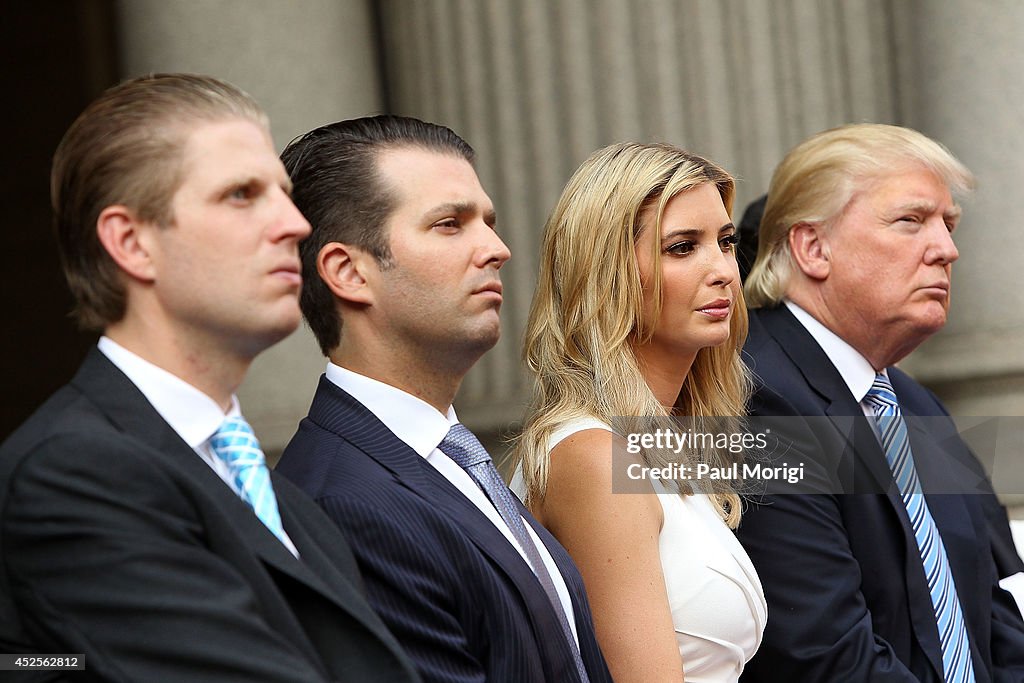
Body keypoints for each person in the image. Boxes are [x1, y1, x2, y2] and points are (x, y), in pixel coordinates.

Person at [0, 74, 418, 682]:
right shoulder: (76, 471)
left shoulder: (283, 502)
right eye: (243, 195)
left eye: (284, 193)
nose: (295, 224)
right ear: (131, 242)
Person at [274, 115, 612, 683]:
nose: (498, 249)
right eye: (450, 224)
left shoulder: (454, 458)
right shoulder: (343, 504)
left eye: (488, 221)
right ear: (348, 272)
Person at [738, 123, 1024, 681]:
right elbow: (825, 654)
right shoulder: (753, 394)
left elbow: (997, 611)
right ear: (813, 247)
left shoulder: (915, 405)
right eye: (910, 221)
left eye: (949, 224)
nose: (947, 250)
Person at [511, 142, 766, 682]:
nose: (722, 269)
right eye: (681, 247)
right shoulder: (594, 456)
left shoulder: (663, 440)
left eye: (725, 242)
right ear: (605, 274)